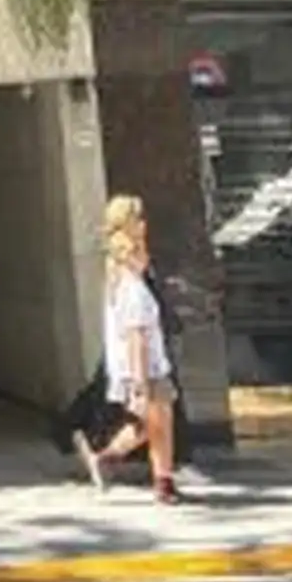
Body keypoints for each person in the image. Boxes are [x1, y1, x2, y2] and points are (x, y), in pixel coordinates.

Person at [73, 194, 182, 503]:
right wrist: (139, 385)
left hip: (140, 367)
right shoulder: (133, 289)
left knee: (155, 423)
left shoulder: (121, 280)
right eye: (140, 221)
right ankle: (117, 463)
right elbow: (136, 337)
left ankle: (158, 478)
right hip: (145, 368)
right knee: (156, 423)